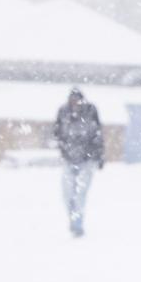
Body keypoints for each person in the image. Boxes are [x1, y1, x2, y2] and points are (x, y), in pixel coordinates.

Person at [53, 88, 104, 237]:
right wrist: (63, 148)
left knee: (81, 194)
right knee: (67, 194)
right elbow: (57, 132)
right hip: (69, 160)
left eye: (77, 100)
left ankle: (78, 224)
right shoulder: (63, 112)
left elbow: (98, 134)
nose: (75, 103)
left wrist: (99, 156)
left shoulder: (90, 111)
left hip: (87, 160)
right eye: (72, 100)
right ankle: (72, 219)